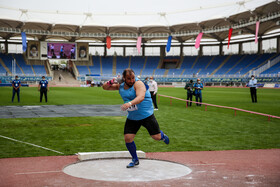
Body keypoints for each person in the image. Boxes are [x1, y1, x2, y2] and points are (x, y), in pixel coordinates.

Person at [102, 68, 169, 168]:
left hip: (146, 115)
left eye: (133, 78)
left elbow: (141, 97)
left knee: (156, 137)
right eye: (129, 79)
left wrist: (129, 103)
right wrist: (112, 80)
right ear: (124, 78)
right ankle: (135, 159)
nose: (131, 80)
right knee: (128, 138)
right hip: (133, 117)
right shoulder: (120, 86)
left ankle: (162, 136)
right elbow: (105, 87)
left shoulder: (138, 84)